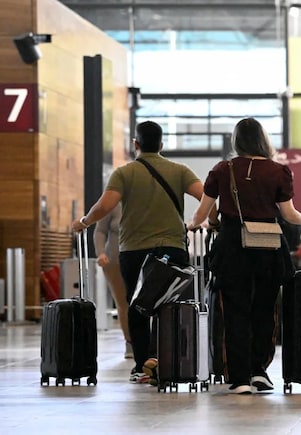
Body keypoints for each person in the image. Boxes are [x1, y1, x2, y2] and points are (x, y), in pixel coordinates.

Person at [187, 117, 301, 395]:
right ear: (263, 140)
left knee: (233, 312)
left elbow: (201, 214)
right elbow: (289, 215)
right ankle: (259, 370)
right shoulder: (279, 172)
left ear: (236, 141)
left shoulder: (222, 170)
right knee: (265, 310)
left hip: (232, 247)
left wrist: (193, 224)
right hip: (268, 247)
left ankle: (239, 379)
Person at [71, 120, 208, 385]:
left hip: (135, 251)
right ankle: (168, 363)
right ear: (161, 145)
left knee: (137, 307)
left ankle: (142, 366)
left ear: (136, 144)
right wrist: (200, 221)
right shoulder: (180, 170)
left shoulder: (124, 173)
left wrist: (84, 221)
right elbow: (206, 197)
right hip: (173, 249)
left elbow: (105, 205)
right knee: (169, 305)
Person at [92, 203, 131, 359]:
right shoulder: (113, 203)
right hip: (114, 260)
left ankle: (149, 342)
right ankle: (130, 342)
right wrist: (100, 253)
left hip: (142, 258)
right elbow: (100, 231)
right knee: (123, 302)